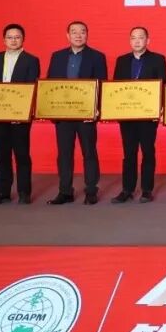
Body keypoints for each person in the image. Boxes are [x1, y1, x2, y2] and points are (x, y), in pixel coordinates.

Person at [46, 21, 108, 205]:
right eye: (74, 32)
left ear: (87, 35)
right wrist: (50, 109)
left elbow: (102, 85)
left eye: (82, 32)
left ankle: (91, 190)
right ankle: (65, 191)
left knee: (89, 152)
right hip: (63, 115)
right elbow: (49, 85)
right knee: (64, 154)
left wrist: (97, 110)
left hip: (86, 114)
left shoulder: (97, 57)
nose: (78, 35)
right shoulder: (57, 56)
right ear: (68, 35)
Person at [0, 24, 40, 205]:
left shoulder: (31, 60)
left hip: (19, 116)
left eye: (17, 37)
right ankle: (2, 192)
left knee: (22, 154)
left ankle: (24, 192)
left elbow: (32, 87)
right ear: (4, 40)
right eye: (10, 37)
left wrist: (21, 111)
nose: (13, 40)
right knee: (1, 154)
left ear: (23, 39)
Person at [110, 26, 166, 204]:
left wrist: (161, 108)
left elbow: (163, 85)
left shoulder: (158, 59)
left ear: (147, 40)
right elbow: (115, 87)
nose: (137, 41)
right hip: (127, 114)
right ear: (130, 41)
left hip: (148, 115)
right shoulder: (122, 60)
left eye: (141, 37)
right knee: (129, 153)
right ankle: (127, 189)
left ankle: (146, 190)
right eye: (133, 38)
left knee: (148, 151)